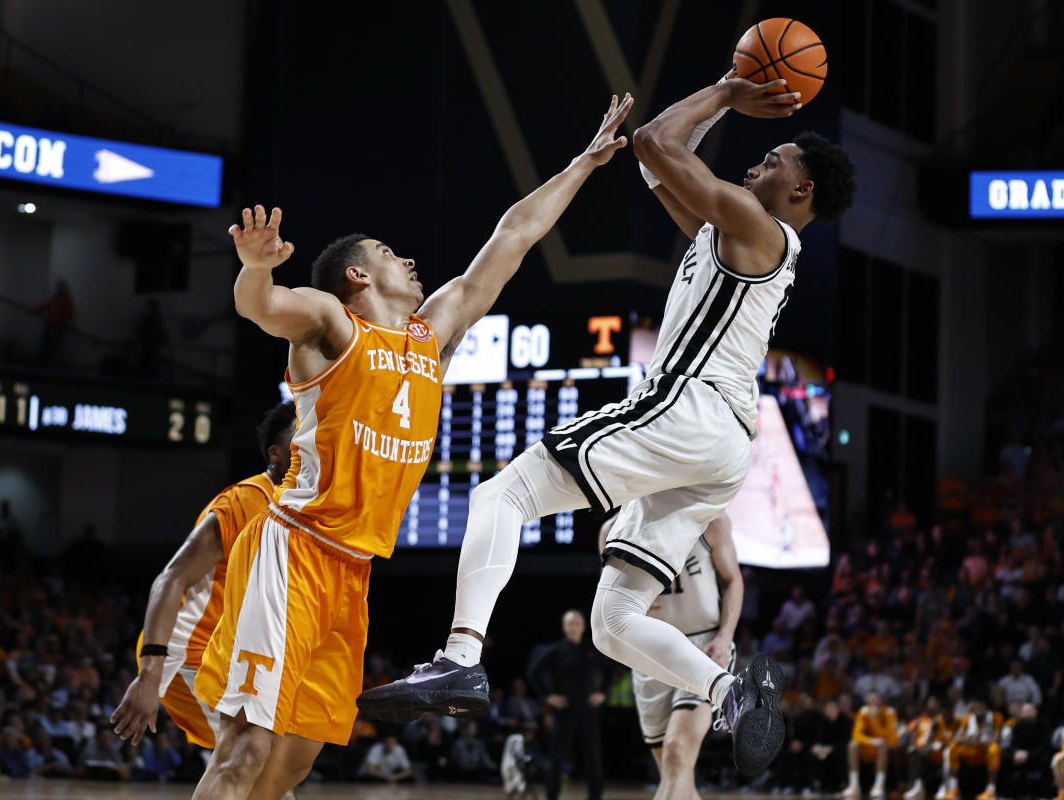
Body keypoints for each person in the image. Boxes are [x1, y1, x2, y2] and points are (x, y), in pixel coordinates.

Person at [361, 67, 857, 782]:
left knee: (505, 494)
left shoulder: (758, 225)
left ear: (801, 190)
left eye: (773, 160)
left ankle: (461, 659)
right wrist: (691, 117)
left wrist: (725, 89)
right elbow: (659, 161)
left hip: (688, 410)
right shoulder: (730, 233)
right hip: (719, 446)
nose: (755, 162)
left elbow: (657, 139)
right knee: (616, 621)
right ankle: (731, 693)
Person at [190, 92, 635, 800]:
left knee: (295, 761)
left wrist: (584, 163)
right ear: (359, 276)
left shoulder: (434, 333)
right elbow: (264, 307)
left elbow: (513, 237)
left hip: (354, 571)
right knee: (246, 749)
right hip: (294, 548)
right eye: (391, 255)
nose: (411, 259)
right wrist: (253, 267)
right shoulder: (332, 324)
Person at [111, 402, 296, 753]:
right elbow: (171, 578)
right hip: (188, 652)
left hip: (232, 661)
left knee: (261, 771)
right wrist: (150, 675)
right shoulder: (245, 500)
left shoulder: (293, 510)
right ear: (276, 453)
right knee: (249, 759)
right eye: (300, 438)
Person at [622, 513, 742, 800]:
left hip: (703, 645)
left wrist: (725, 637)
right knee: (675, 772)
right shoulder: (615, 530)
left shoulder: (710, 521)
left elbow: (733, 581)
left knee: (677, 753)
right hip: (648, 650)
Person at [527, 610, 609, 800]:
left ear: (583, 627)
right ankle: (552, 795)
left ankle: (595, 795)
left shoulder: (591, 648)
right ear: (564, 628)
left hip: (587, 709)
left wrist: (603, 693)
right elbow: (534, 673)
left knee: (593, 756)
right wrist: (548, 696)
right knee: (558, 755)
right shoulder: (556, 650)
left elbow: (610, 669)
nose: (573, 627)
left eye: (577, 623)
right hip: (565, 709)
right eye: (570, 624)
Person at [937, 700, 1003, 800]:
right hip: (971, 751)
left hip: (985, 753)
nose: (978, 711)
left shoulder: (996, 717)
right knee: (953, 746)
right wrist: (968, 739)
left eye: (980, 708)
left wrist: (980, 742)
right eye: (975, 708)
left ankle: (991, 790)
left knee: (994, 749)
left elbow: (996, 740)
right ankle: (953, 789)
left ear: (986, 708)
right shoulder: (969, 718)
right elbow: (957, 738)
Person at [841, 690, 902, 800]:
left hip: (889, 745)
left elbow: (891, 737)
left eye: (876, 699)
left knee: (882, 744)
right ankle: (854, 785)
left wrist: (875, 720)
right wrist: (870, 741)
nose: (873, 701)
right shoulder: (864, 711)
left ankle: (879, 785)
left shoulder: (889, 711)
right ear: (867, 700)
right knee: (852, 745)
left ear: (881, 700)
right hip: (872, 746)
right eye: (871, 699)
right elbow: (856, 735)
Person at [904, 696, 957, 800]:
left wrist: (932, 745)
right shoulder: (920, 719)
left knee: (926, 753)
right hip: (927, 749)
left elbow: (942, 737)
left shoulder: (943, 719)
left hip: (941, 749)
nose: (931, 705)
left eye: (933, 702)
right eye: (929, 702)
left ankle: (945, 787)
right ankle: (916, 786)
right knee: (914, 752)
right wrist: (914, 746)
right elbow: (914, 734)